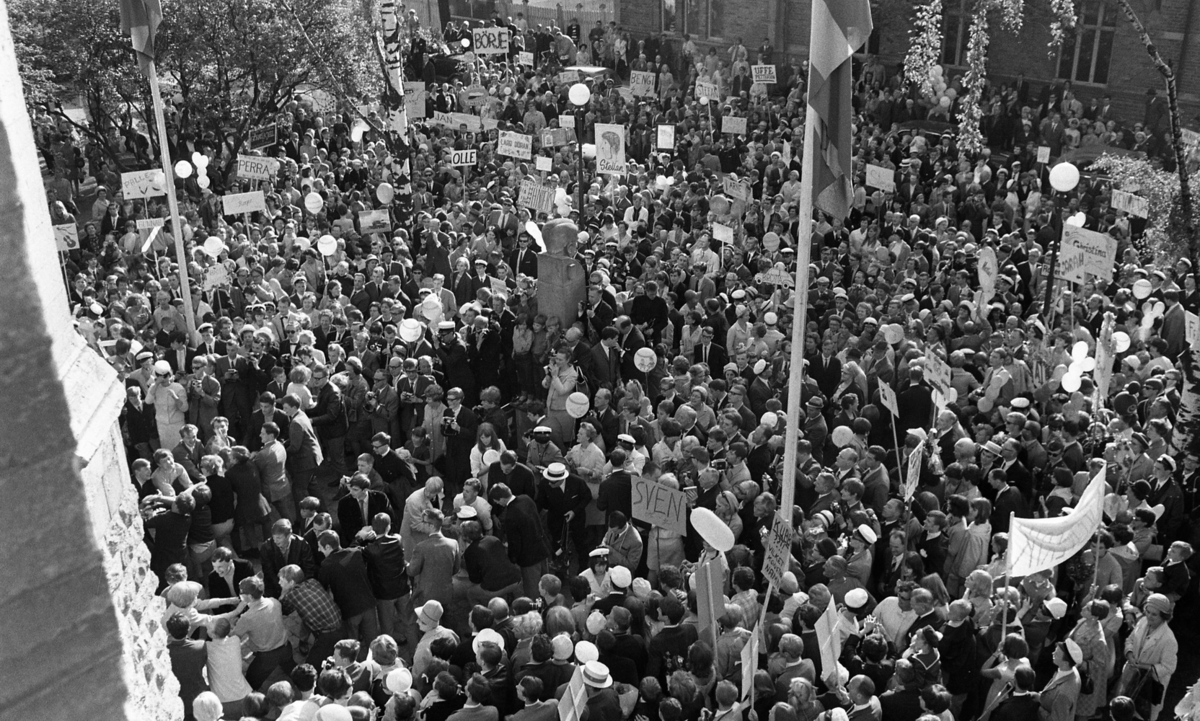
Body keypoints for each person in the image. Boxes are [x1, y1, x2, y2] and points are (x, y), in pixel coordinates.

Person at [491, 482, 551, 598]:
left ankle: (536, 608)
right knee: (546, 584)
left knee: (532, 589)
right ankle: (549, 604)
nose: (497, 504)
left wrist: (512, 559)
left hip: (529, 558)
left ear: (502, 499)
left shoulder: (510, 515)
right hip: (542, 548)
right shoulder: (526, 499)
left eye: (496, 501)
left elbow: (515, 543)